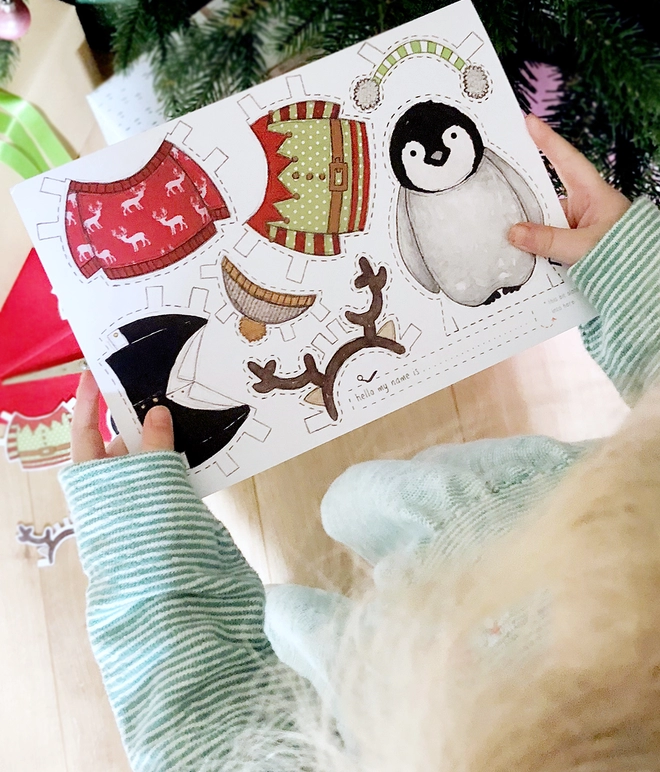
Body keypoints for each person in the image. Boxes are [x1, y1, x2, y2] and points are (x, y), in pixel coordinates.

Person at [61, 114, 660, 772]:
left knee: (340, 563)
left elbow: (193, 723)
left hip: (370, 657)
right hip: (523, 510)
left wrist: (145, 544)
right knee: (370, 504)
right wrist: (636, 278)